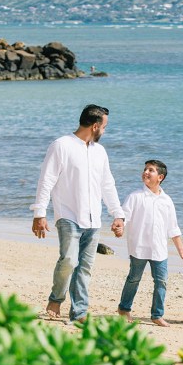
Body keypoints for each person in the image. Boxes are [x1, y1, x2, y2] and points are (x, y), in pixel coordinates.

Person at [30, 104, 125, 323]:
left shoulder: (99, 151)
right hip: (68, 215)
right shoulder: (61, 145)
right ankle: (56, 298)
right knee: (70, 261)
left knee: (85, 268)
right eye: (105, 127)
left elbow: (107, 185)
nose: (105, 131)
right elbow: (46, 180)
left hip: (93, 219)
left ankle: (79, 312)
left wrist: (117, 214)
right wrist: (39, 213)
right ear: (95, 126)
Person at [117, 160, 183, 327]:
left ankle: (157, 314)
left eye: (151, 170)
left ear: (160, 177)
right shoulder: (135, 196)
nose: (146, 172)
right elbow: (124, 217)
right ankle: (124, 308)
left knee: (161, 281)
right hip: (139, 247)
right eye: (145, 169)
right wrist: (119, 226)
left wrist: (181, 250)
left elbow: (173, 228)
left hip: (159, 250)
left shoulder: (167, 200)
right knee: (134, 279)